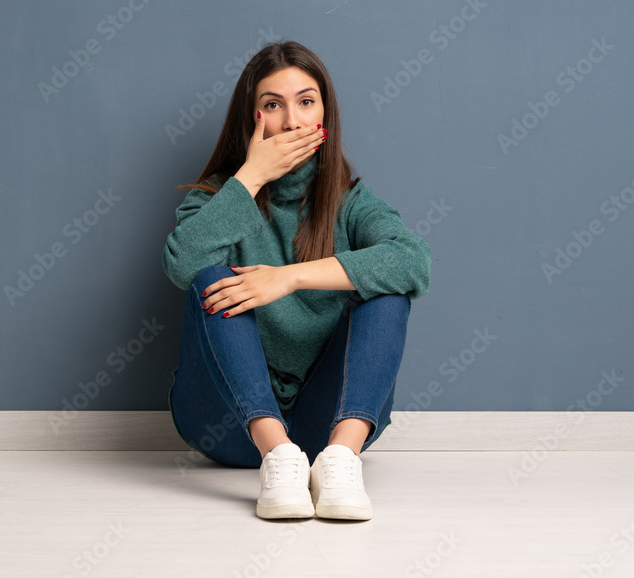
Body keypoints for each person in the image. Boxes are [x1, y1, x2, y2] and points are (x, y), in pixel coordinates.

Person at [162, 40, 432, 521]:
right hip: (226, 426)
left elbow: (414, 261)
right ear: (253, 120)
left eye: (306, 102)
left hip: (323, 431)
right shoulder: (218, 197)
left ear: (324, 117)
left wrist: (287, 279)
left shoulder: (350, 201)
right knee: (210, 272)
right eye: (272, 105)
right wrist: (250, 177)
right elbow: (181, 263)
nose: (291, 122)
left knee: (388, 287)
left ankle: (343, 461)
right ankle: (278, 456)